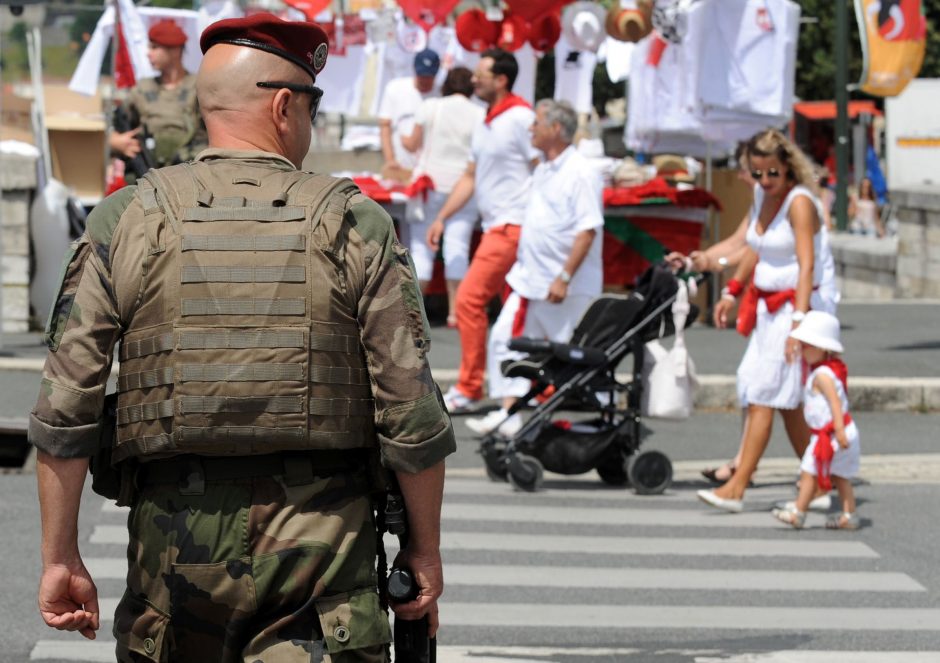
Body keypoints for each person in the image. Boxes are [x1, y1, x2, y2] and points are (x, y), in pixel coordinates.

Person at [32, 13, 455, 660]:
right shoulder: (353, 223)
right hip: (322, 561)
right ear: (285, 106)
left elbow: (66, 408)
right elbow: (412, 412)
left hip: (172, 559)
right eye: (312, 106)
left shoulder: (126, 218)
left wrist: (60, 554)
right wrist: (423, 548)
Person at [671, 143, 839, 489]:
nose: (761, 179)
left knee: (766, 391)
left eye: (769, 172)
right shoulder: (764, 199)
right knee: (771, 393)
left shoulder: (800, 202)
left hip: (797, 307)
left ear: (788, 167)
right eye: (756, 172)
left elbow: (806, 265)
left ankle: (738, 481)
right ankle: (822, 477)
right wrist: (705, 267)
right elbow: (748, 245)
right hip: (770, 309)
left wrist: (798, 324)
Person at [466, 99, 603, 436]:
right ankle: (510, 414)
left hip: (564, 286)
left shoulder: (581, 171)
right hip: (531, 281)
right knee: (504, 339)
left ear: (556, 129)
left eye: (537, 123)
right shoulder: (543, 169)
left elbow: (587, 231)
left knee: (577, 356)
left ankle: (598, 423)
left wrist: (565, 277)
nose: (531, 128)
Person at [427, 48, 539, 414]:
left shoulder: (522, 117)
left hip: (513, 227)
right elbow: (471, 177)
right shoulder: (489, 119)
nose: (473, 79)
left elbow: (543, 168)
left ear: (502, 79)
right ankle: (530, 386)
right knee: (516, 309)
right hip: (500, 227)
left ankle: (470, 385)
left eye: (481, 74)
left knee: (471, 301)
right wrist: (443, 216)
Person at [400, 66, 485, 327]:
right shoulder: (481, 114)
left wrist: (400, 136)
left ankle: (413, 314)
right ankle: (455, 312)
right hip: (463, 187)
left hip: (429, 185)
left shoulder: (431, 106)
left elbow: (412, 144)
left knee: (421, 250)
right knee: (457, 248)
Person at [773, 311, 861, 530]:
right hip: (833, 432)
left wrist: (839, 429)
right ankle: (849, 514)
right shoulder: (828, 370)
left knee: (808, 471)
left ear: (821, 347)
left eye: (806, 346)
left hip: (831, 433)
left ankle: (798, 511)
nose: (802, 351)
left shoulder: (822, 375)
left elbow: (834, 404)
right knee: (840, 476)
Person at [109, 19, 208, 173]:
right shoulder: (142, 90)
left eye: (155, 48)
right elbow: (115, 122)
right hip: (148, 173)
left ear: (175, 50)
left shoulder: (200, 87)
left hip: (191, 174)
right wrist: (115, 141)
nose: (149, 54)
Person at [377, 48, 440, 183]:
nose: (424, 80)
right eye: (421, 75)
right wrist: (390, 160)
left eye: (429, 76)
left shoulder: (441, 94)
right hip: (400, 168)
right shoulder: (395, 88)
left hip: (430, 172)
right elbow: (385, 126)